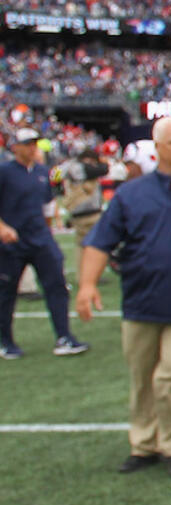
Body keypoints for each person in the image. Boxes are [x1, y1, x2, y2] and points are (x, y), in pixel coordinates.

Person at [75, 116, 171, 473]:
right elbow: (101, 242)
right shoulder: (131, 194)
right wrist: (86, 286)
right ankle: (144, 443)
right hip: (140, 303)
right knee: (143, 377)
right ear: (157, 148)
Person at [0, 129, 90, 359]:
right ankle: (5, 341)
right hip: (12, 242)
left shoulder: (41, 172)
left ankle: (63, 336)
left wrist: (48, 230)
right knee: (6, 292)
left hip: (39, 237)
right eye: (27, 144)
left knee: (56, 285)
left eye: (34, 143)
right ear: (15, 147)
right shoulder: (5, 172)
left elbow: (47, 205)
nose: (32, 148)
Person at [59, 147, 107, 247]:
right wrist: (102, 162)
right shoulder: (78, 167)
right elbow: (103, 170)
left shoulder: (71, 166)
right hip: (86, 214)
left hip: (85, 213)